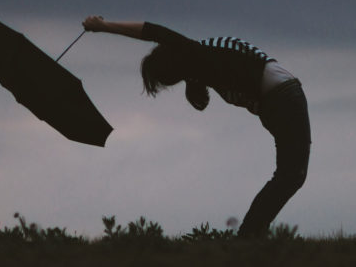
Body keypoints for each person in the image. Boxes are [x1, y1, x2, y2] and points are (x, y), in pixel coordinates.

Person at [82, 16, 311, 238]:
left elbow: (150, 30)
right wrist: (193, 83)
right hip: (278, 101)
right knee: (290, 176)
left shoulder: (192, 52)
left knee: (289, 176)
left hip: (282, 97)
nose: (168, 84)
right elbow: (201, 102)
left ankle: (248, 236)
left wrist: (104, 26)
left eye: (165, 80)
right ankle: (249, 236)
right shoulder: (198, 66)